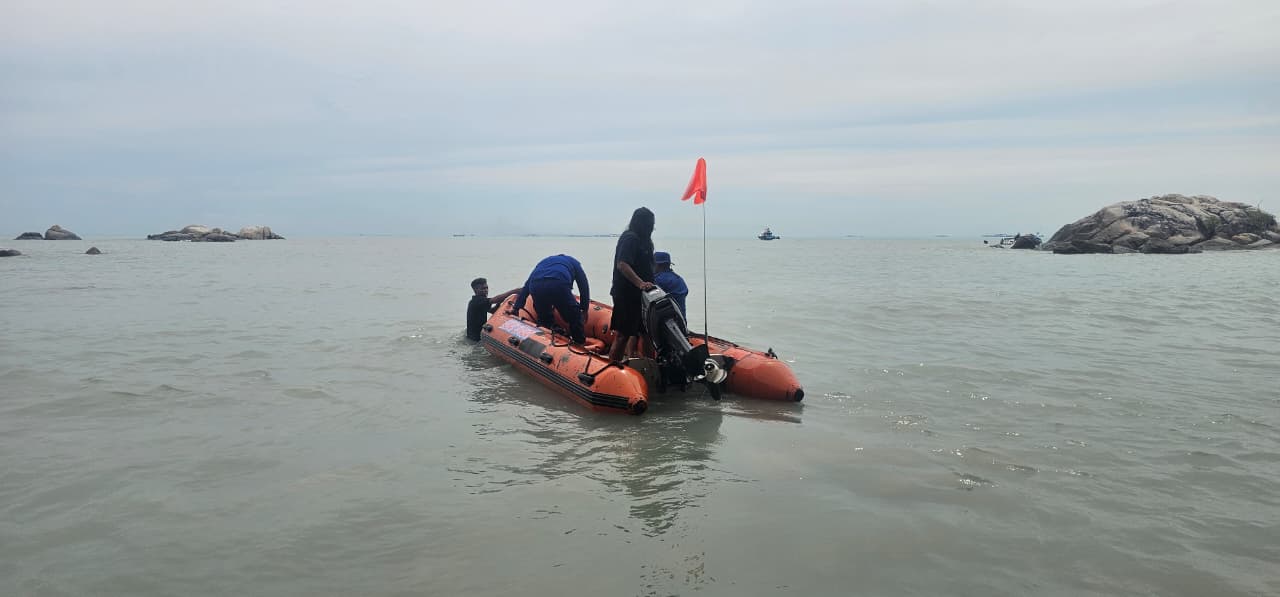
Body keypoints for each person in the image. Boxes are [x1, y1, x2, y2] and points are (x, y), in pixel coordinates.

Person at [608, 207, 656, 363]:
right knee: (623, 334)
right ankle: (613, 366)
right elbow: (622, 264)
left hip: (644, 297)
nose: (651, 228)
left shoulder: (645, 242)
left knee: (647, 334)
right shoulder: (630, 239)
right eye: (649, 225)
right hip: (626, 295)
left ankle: (651, 368)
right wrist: (640, 283)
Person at [510, 254, 591, 344]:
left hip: (536, 285)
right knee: (574, 316)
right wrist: (584, 309)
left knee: (544, 319)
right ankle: (579, 343)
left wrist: (516, 308)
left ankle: (545, 340)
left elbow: (527, 286)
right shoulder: (575, 264)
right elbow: (583, 287)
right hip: (558, 283)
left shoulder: (543, 263)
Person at [652, 251, 688, 317]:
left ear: (658, 265)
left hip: (666, 320)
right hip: (682, 320)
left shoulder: (658, 280)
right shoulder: (679, 279)